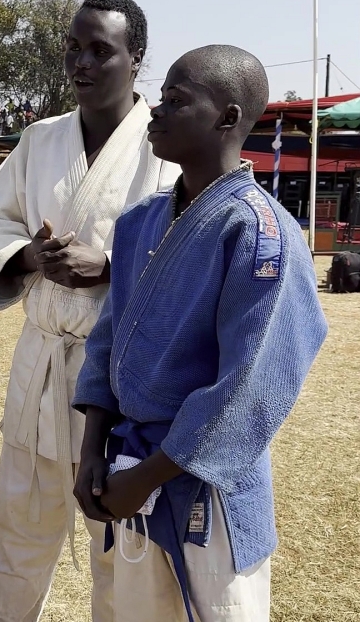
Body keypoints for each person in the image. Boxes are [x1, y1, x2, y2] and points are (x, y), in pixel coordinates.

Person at [73, 45, 328, 622]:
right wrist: (92, 451)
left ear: (228, 117)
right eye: (160, 97)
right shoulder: (139, 222)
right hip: (129, 471)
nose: (156, 111)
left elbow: (249, 388)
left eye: (176, 100)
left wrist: (148, 476)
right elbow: (107, 342)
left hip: (205, 488)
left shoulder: (261, 234)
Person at [0, 0, 181, 622]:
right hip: (40, 365)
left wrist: (110, 265)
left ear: (135, 58)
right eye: (73, 48)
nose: (81, 63)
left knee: (120, 550)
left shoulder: (165, 144)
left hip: (118, 376)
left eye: (100, 50)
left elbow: (187, 250)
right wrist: (28, 255)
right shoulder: (40, 139)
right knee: (17, 537)